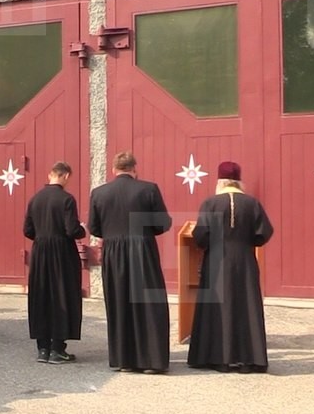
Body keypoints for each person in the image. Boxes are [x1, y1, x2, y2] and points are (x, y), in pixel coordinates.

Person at [88, 151, 173, 374]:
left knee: (119, 301)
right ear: (134, 169)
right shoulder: (148, 189)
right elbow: (163, 223)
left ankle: (124, 359)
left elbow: (95, 228)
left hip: (114, 252)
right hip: (142, 248)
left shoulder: (99, 193)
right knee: (149, 302)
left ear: (114, 169)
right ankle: (152, 360)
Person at [187, 162, 274, 373]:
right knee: (246, 307)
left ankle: (218, 358)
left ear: (220, 182)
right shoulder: (252, 203)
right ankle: (248, 359)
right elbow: (264, 232)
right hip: (244, 260)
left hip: (217, 260)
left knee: (217, 307)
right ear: (238, 181)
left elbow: (201, 235)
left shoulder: (211, 203)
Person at [23, 161, 88, 364]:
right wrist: (82, 229)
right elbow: (72, 230)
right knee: (62, 295)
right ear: (66, 176)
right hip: (62, 252)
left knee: (41, 296)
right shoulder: (67, 199)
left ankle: (43, 348)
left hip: (40, 251)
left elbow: (27, 230)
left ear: (49, 174)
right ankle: (58, 348)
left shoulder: (35, 199)